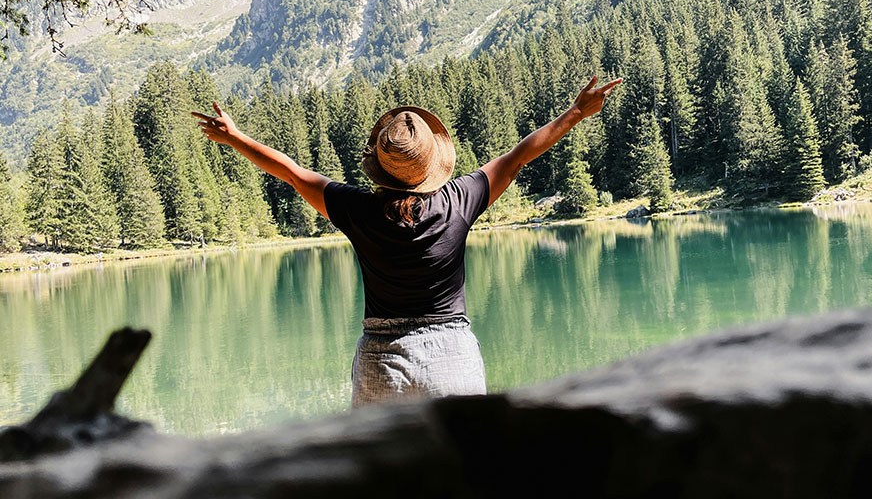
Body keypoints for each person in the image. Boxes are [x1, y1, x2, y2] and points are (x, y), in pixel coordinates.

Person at [193, 75, 621, 407]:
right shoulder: (459, 201)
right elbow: (518, 156)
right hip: (452, 355)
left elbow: (290, 172)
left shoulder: (358, 210)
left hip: (381, 362)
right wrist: (575, 114)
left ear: (380, 165)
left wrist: (234, 137)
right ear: (435, 161)